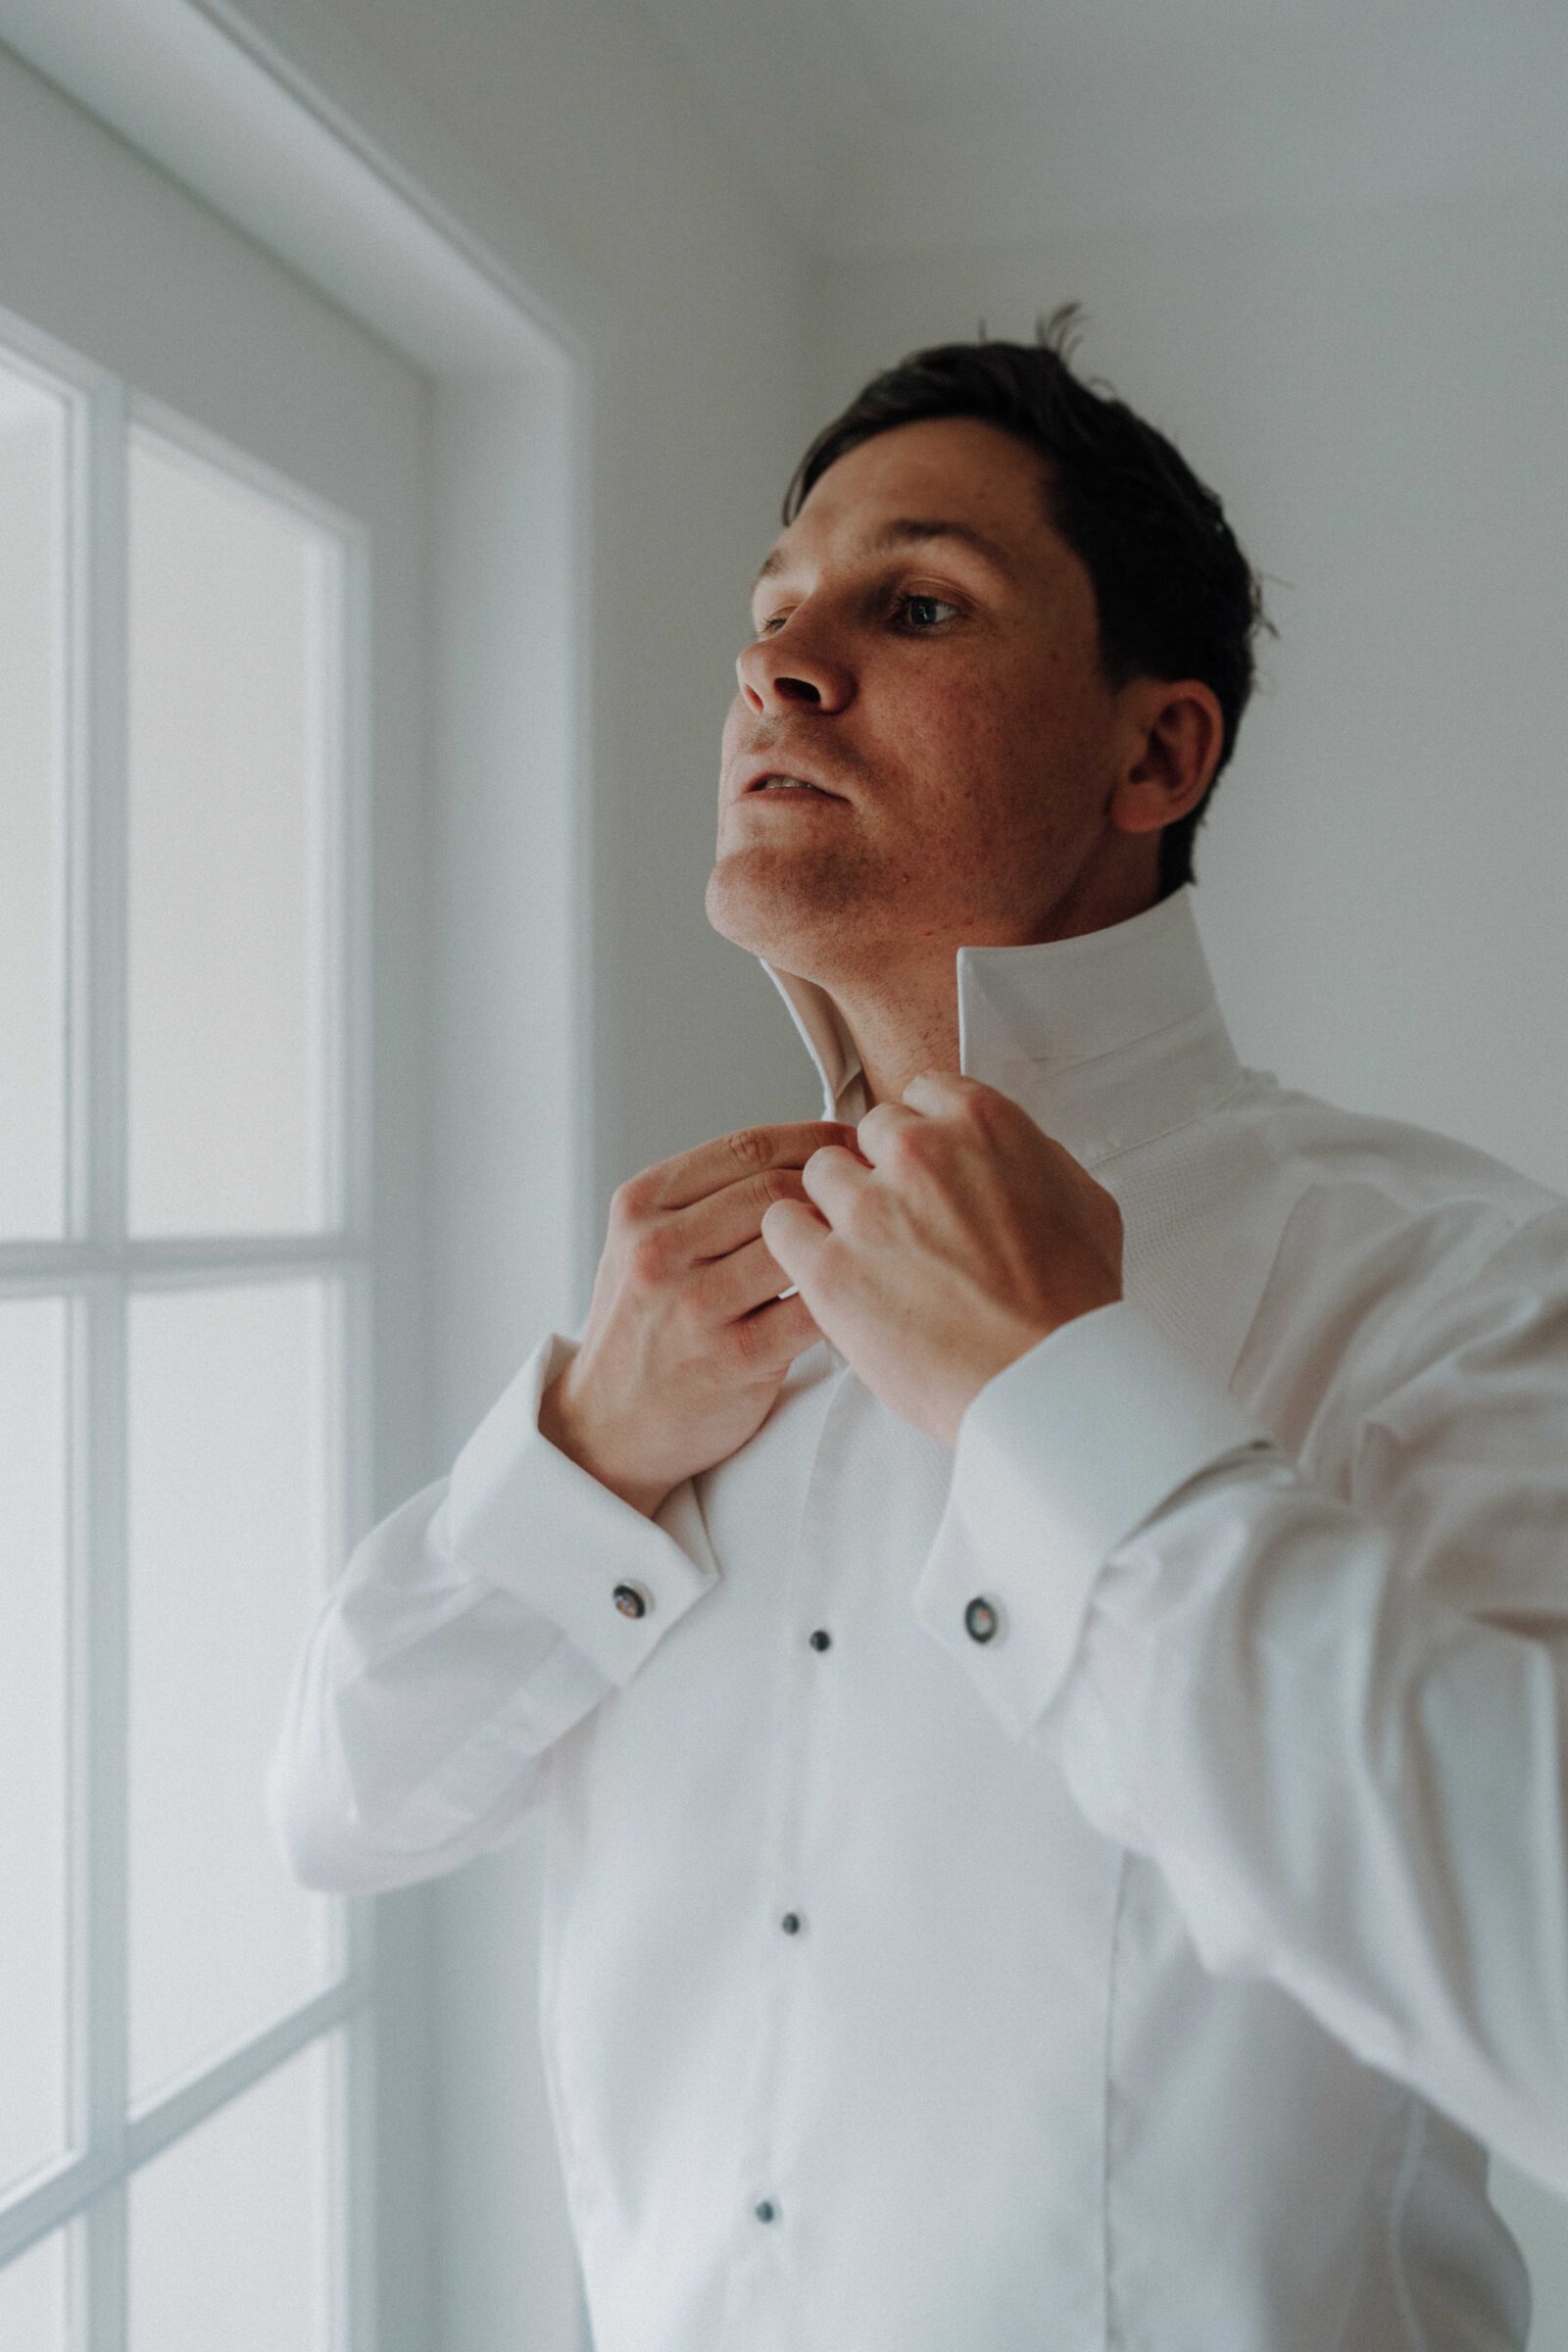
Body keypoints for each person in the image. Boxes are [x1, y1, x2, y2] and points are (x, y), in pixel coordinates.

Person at [269, 310, 1568, 2350]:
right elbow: (336, 1801)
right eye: (772, 612)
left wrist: (1064, 1408)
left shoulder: (1449, 1280)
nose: (776, 666)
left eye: (915, 604)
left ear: (1156, 747)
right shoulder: (674, 1317)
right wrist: (582, 1462)